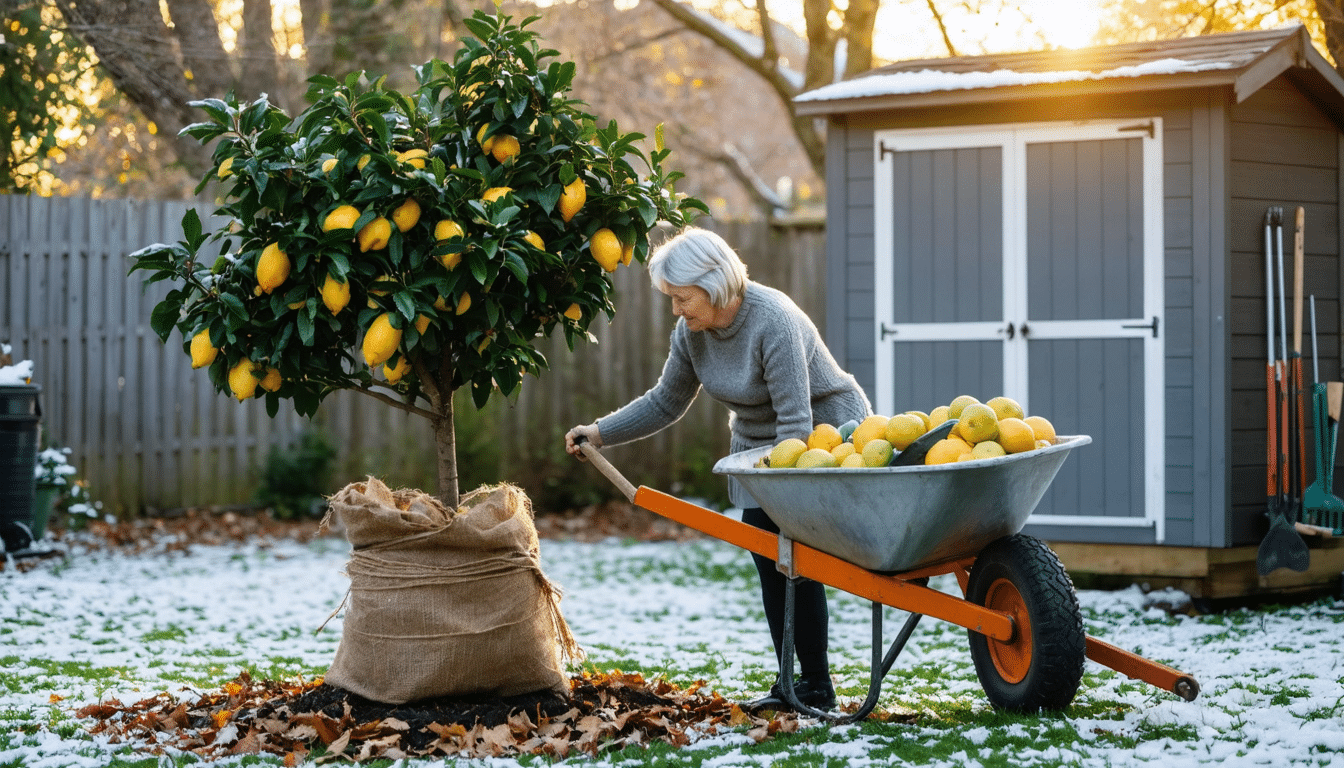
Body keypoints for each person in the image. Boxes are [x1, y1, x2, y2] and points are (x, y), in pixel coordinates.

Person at [564, 227, 872, 712]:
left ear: (713, 283)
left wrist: (786, 496)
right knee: (769, 555)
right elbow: (666, 401)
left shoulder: (773, 320)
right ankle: (800, 685)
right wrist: (599, 432)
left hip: (824, 435)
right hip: (758, 444)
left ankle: (813, 685)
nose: (676, 310)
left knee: (791, 556)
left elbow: (796, 420)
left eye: (681, 298)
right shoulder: (692, 334)